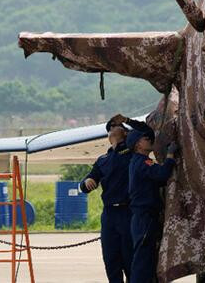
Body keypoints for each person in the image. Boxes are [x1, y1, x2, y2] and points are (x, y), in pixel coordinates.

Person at [79, 114, 136, 283]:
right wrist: (86, 182)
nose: (113, 129)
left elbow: (144, 133)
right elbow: (85, 185)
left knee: (130, 261)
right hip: (110, 214)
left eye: (117, 126)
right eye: (110, 128)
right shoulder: (102, 160)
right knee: (111, 260)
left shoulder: (132, 155)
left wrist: (126, 122)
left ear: (125, 133)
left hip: (128, 212)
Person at [127, 121, 177, 283]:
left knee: (146, 258)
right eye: (144, 139)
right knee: (143, 260)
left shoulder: (138, 162)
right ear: (137, 145)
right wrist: (170, 156)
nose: (149, 140)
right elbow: (162, 175)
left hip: (143, 216)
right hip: (145, 216)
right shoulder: (143, 162)